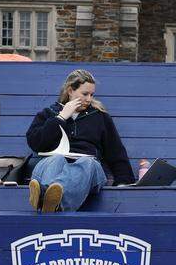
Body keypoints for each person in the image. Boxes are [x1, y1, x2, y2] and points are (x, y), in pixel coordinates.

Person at [26, 69, 134, 212]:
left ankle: (50, 200)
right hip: (52, 167)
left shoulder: (99, 116)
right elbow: (35, 143)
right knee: (56, 159)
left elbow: (115, 151)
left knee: (87, 163)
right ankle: (50, 198)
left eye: (91, 94)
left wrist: (124, 182)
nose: (89, 99)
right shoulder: (48, 114)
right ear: (70, 90)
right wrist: (61, 117)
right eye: (85, 94)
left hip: (88, 171)